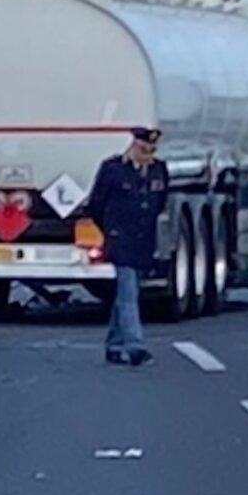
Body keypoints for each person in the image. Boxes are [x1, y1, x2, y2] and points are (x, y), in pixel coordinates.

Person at [85, 127, 169, 367]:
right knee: (129, 292)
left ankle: (114, 343)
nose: (148, 156)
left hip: (143, 240)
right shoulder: (113, 170)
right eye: (143, 150)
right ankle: (135, 346)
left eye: (151, 151)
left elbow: (159, 203)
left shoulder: (158, 170)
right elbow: (95, 205)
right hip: (120, 239)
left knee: (126, 294)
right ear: (132, 146)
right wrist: (111, 229)